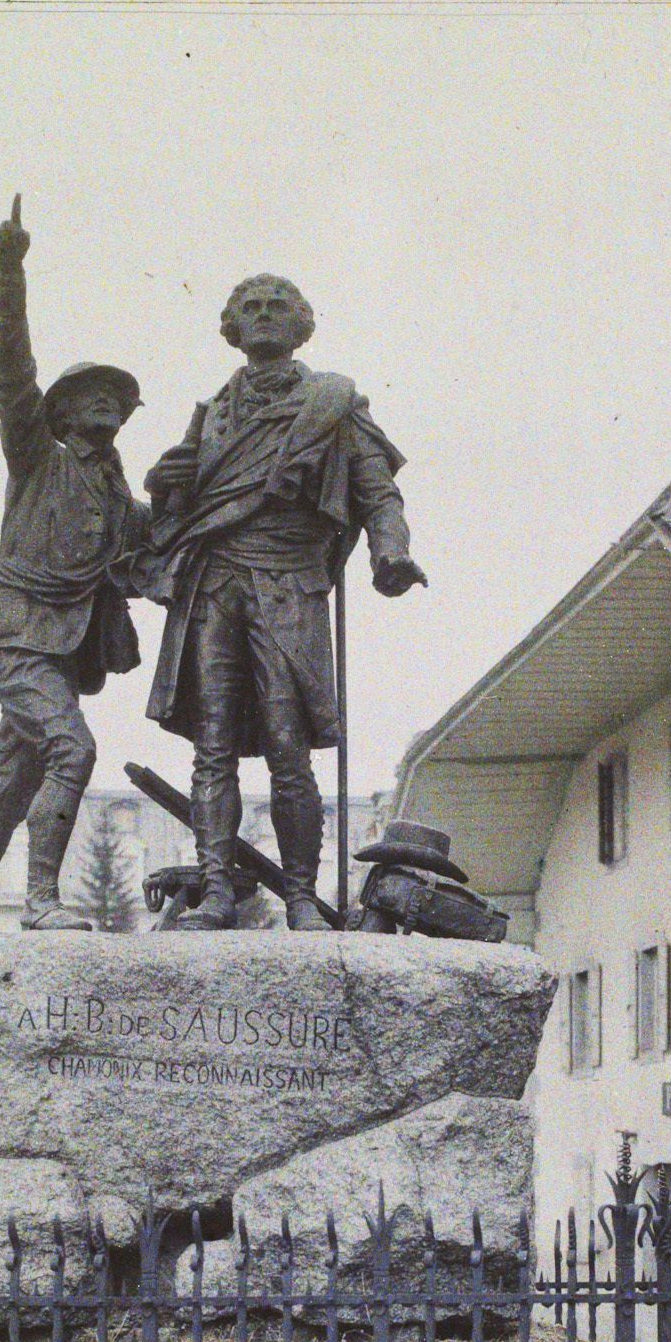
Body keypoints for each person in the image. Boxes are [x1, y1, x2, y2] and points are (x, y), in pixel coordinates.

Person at [140, 274, 426, 932]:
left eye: (277, 307)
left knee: (286, 741)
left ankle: (300, 894)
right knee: (210, 743)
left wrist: (390, 551)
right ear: (231, 326)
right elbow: (178, 512)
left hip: (289, 581)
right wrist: (163, 490)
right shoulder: (208, 413)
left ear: (301, 325)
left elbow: (377, 493)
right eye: (250, 307)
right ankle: (216, 890)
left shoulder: (331, 402)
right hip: (211, 582)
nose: (263, 316)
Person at [0, 197, 148, 959]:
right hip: (14, 632)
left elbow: (167, 550)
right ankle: (41, 904)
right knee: (72, 752)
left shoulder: (121, 500)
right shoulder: (37, 459)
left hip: (57, 651)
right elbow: (10, 372)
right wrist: (8, 271)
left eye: (119, 395)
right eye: (94, 393)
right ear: (62, 412)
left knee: (12, 792)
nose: (109, 401)